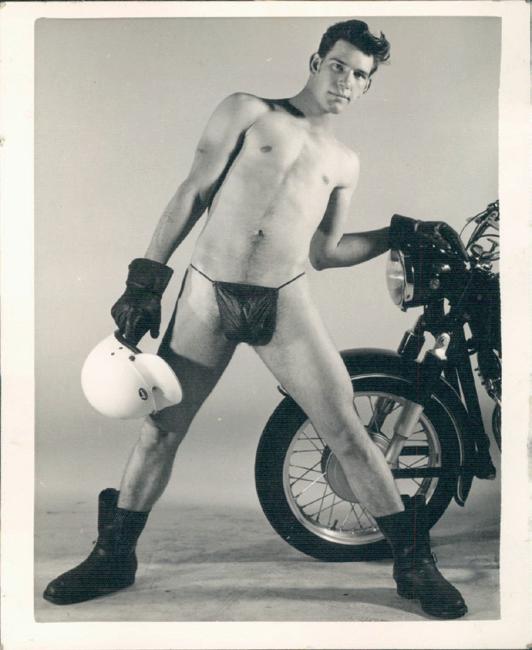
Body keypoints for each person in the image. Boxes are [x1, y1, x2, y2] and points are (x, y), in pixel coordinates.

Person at [43, 19, 467, 619]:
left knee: (347, 432)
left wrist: (393, 234)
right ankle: (113, 556)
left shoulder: (344, 162)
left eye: (360, 76)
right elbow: (193, 192)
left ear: (367, 86)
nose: (345, 82)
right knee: (162, 429)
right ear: (316, 61)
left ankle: (414, 567)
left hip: (283, 302)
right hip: (206, 295)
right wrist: (146, 279)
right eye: (338, 66)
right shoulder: (248, 111)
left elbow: (325, 253)